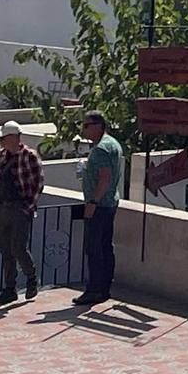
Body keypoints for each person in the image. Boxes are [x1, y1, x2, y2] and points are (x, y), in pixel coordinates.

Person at [0, 120, 44, 303]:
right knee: (5, 249)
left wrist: (27, 207)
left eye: (4, 138)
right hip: (3, 207)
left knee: (18, 247)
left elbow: (38, 184)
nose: (1, 142)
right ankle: (9, 288)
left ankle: (31, 278)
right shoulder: (0, 156)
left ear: (14, 138)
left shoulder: (29, 156)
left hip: (20, 207)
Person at [76, 110, 122, 307]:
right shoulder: (112, 144)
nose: (83, 130)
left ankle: (95, 289)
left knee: (94, 248)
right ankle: (104, 287)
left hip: (100, 205)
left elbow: (105, 177)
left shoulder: (102, 148)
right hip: (110, 202)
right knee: (105, 246)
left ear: (97, 125)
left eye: (86, 125)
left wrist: (92, 202)